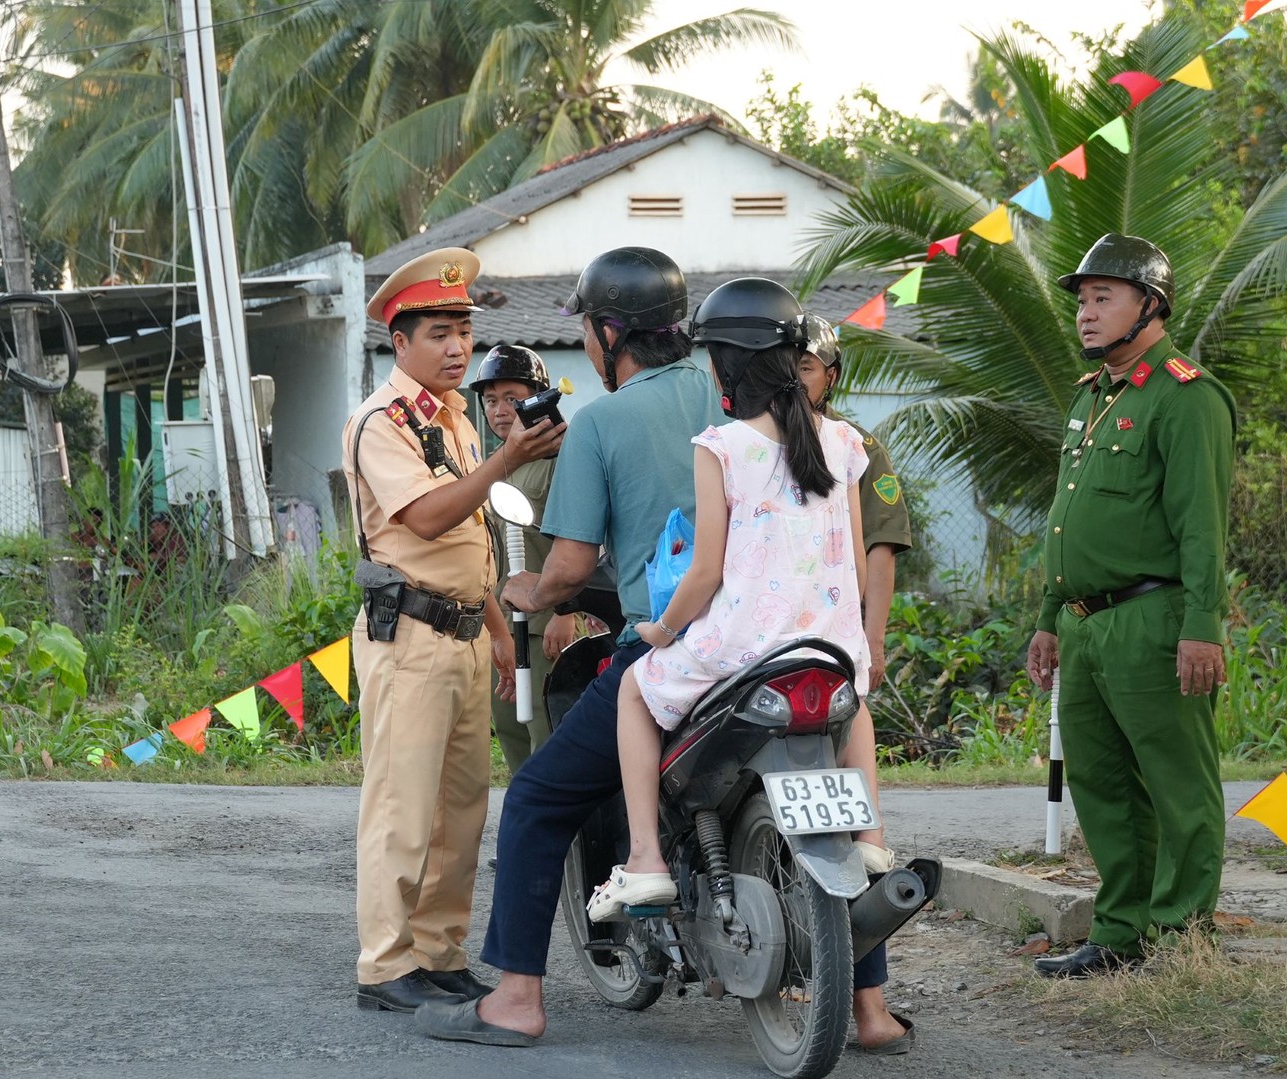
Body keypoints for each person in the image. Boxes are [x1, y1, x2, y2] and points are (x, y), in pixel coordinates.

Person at [418, 259, 910, 1055]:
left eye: (588, 329)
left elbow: (574, 567)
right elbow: (849, 555)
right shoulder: (796, 418)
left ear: (610, 333)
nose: (587, 344)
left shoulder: (614, 423)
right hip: (816, 650)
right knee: (832, 788)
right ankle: (871, 1007)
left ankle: (515, 997)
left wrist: (534, 593)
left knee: (538, 795)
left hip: (698, 647)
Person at [584, 280, 892, 921]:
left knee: (634, 691)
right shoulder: (845, 442)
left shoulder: (721, 446)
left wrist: (662, 630)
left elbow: (704, 574)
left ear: (725, 365)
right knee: (854, 697)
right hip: (831, 646)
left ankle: (645, 860)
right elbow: (858, 566)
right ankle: (871, 836)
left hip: (745, 650)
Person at [343, 247, 566, 1014]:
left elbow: (475, 536)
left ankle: (438, 952)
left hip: (467, 630)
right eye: (439, 333)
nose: (456, 348)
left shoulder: (455, 420)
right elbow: (429, 517)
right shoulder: (381, 423)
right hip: (407, 632)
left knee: (461, 809)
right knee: (402, 806)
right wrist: (508, 458)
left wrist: (498, 628)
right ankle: (384, 964)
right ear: (400, 341)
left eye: (463, 331)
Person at [1023, 234, 1236, 978]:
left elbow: (1202, 525)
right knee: (1102, 786)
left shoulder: (1185, 396)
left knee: (1178, 784)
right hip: (1083, 624)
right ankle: (1121, 931)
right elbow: (1065, 519)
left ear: (1150, 304)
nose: (1085, 313)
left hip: (1154, 618)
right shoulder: (1092, 396)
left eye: (1102, 297)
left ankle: (1182, 936)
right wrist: (1049, 618)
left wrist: (1202, 627)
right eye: (1082, 300)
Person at [470, 345, 574, 775]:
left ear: (538, 399)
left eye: (512, 398)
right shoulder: (494, 465)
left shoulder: (561, 459)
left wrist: (566, 613)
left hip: (546, 626)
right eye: (490, 400)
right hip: (501, 624)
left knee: (546, 738)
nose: (499, 410)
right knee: (510, 733)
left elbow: (582, 539)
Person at [797, 313, 914, 691]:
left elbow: (882, 544)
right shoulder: (751, 441)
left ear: (831, 376)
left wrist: (873, 641)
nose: (793, 378)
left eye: (805, 368)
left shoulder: (858, 448)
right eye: (784, 365)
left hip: (832, 627)